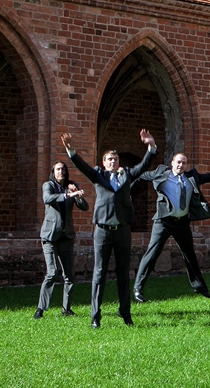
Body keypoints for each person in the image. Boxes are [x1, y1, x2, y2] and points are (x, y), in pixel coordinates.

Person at [62, 130, 157, 328]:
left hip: (122, 230)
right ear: (104, 162)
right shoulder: (98, 175)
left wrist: (151, 147)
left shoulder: (127, 175)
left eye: (115, 159)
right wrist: (71, 151)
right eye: (109, 159)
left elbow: (144, 166)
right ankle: (95, 316)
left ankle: (125, 313)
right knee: (99, 273)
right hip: (103, 231)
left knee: (123, 273)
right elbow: (83, 166)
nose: (113, 162)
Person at [132, 153, 210, 303]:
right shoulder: (160, 173)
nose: (181, 165)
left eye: (184, 163)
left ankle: (199, 286)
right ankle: (138, 289)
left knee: (189, 254)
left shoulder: (191, 177)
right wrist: (127, 192)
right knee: (152, 253)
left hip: (182, 222)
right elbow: (140, 176)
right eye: (178, 162)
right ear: (172, 163)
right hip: (163, 221)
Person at [34, 161, 88, 320]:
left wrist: (77, 193)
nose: (61, 172)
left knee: (69, 276)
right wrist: (67, 195)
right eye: (58, 169)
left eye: (63, 169)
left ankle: (67, 309)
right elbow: (47, 199)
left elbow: (84, 207)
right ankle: (40, 309)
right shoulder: (48, 185)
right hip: (50, 237)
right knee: (51, 273)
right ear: (53, 171)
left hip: (66, 237)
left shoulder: (72, 186)